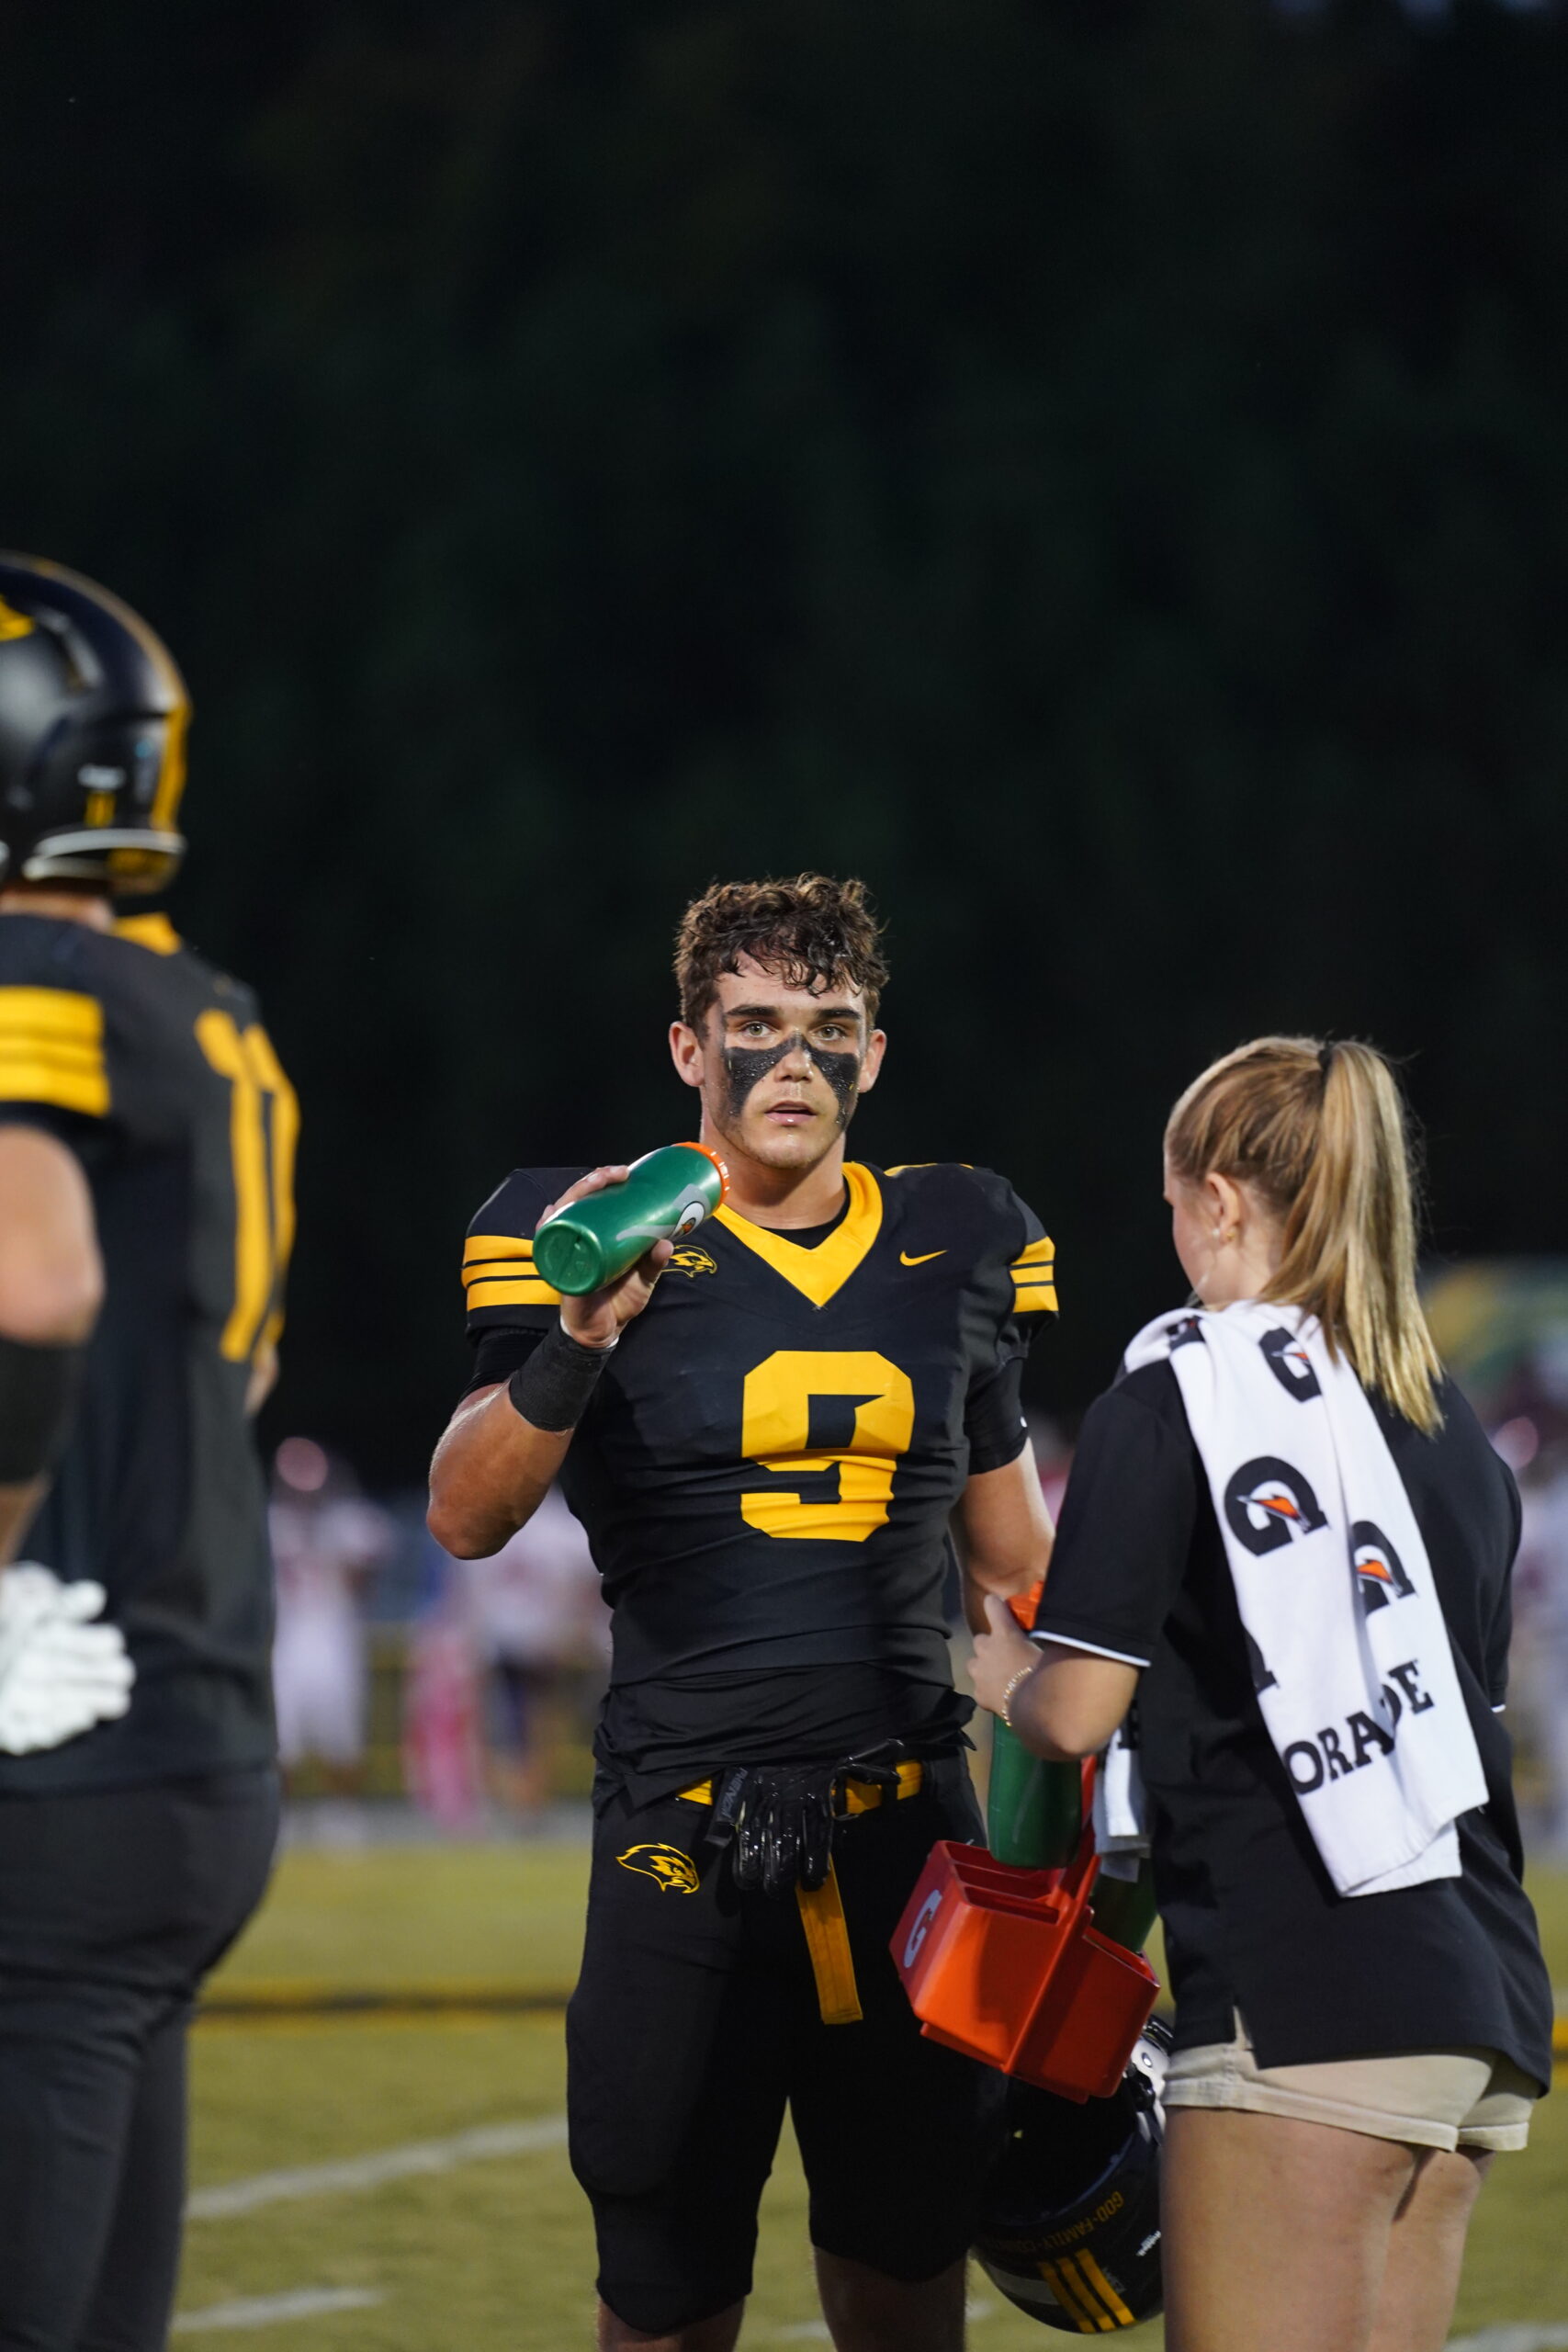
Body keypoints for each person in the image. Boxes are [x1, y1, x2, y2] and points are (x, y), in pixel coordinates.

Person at [428, 874, 1056, 2352]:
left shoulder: (963, 1233)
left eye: (829, 1027)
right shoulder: (581, 1228)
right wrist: (578, 1337)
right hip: (682, 1832)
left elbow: (1011, 1566)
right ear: (687, 1046)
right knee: (664, 2282)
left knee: (908, 2271)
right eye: (755, 1022)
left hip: (910, 1828)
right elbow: (464, 1515)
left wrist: (1077, 1835)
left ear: (873, 1055)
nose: (793, 1059)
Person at [969, 1036, 1553, 2352]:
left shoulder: (1175, 1392)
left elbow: (1076, 1711)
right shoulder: (1445, 1419)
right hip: (1480, 2004)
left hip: (1307, 1990)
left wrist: (1006, 1680)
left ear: (1222, 1200)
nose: (1173, 1234)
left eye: (1175, 1203)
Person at [0, 556, 295, 2352]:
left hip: (53, 1743)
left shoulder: (24, 981)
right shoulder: (199, 1010)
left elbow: (30, 1280)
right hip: (188, 1733)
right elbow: (232, 1372)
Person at [459, 1483, 606, 1817]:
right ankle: (529, 1799)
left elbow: (471, 1585)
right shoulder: (561, 1523)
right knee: (540, 1720)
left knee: (506, 1722)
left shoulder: (493, 1514)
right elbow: (585, 1583)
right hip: (546, 1635)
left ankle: (514, 1797)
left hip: (500, 1633)